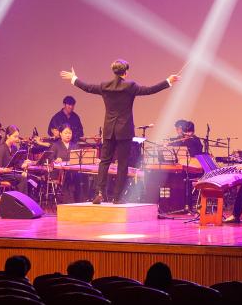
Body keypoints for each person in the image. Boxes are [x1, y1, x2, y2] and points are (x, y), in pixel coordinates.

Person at [62, 59, 179, 204]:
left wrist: (74, 78)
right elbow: (149, 90)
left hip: (109, 130)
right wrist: (168, 81)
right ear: (126, 72)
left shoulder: (105, 86)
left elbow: (88, 88)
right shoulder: (130, 86)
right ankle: (117, 198)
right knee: (122, 164)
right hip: (124, 131)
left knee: (104, 162)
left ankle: (99, 192)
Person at [0, 125, 33, 196]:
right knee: (21, 178)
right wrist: (5, 170)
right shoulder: (2, 148)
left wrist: (23, 164)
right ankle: (20, 200)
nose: (16, 139)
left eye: (17, 137)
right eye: (15, 137)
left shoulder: (14, 148)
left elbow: (17, 163)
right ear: (8, 136)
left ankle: (27, 199)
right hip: (3, 175)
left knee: (30, 177)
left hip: (11, 173)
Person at [51, 124, 82, 203]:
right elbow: (49, 159)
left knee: (80, 175)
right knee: (68, 176)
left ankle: (79, 200)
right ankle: (68, 200)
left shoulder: (75, 145)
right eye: (66, 133)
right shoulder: (56, 145)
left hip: (73, 171)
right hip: (59, 172)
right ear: (60, 134)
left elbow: (79, 159)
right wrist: (56, 160)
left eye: (70, 133)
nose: (68, 135)